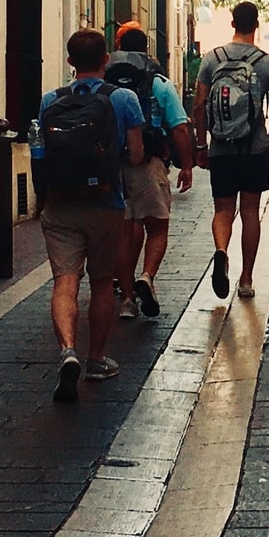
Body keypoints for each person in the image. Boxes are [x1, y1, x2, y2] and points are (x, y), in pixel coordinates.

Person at [33, 26, 145, 403]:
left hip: (60, 204)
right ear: (105, 61)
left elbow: (41, 152)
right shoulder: (124, 98)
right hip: (105, 204)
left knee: (65, 281)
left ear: (69, 62)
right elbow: (136, 154)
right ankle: (96, 358)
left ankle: (67, 349)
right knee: (101, 283)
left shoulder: (51, 100)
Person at [193, 0, 269, 302]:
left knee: (223, 210)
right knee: (250, 212)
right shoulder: (268, 63)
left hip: (221, 147)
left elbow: (198, 105)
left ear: (232, 24)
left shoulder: (211, 59)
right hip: (253, 147)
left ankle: (221, 251)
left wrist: (201, 144)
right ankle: (246, 279)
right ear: (256, 25)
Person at [105, 19, 195, 320]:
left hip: (111, 166)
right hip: (148, 162)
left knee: (123, 232)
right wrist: (187, 165)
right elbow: (180, 127)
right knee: (157, 226)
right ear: (146, 50)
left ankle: (128, 299)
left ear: (118, 48)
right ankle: (147, 275)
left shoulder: (104, 80)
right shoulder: (157, 82)